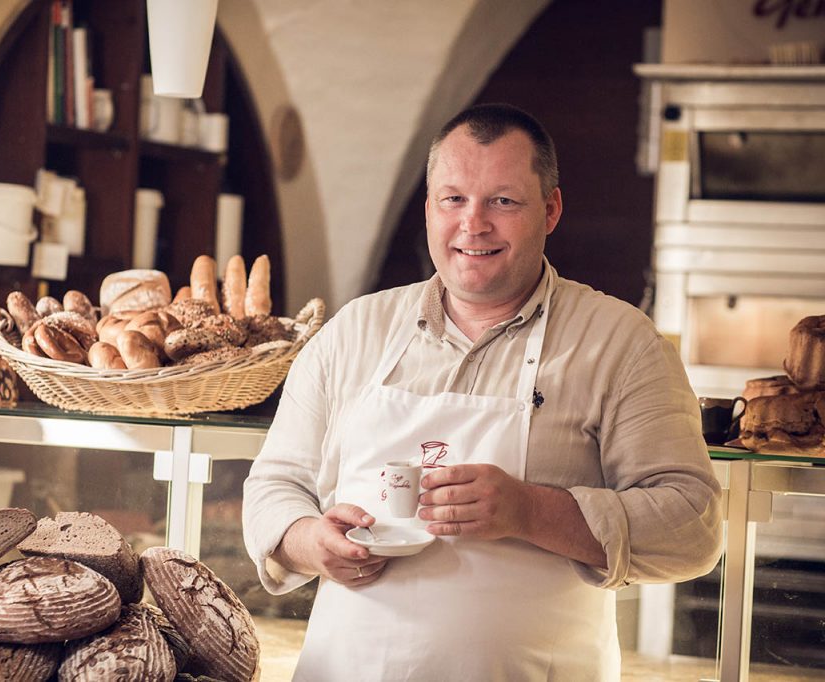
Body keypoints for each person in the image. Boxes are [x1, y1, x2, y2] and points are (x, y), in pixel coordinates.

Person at [242, 103, 723, 681]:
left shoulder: (620, 342)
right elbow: (274, 485)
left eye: (503, 201)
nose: (473, 224)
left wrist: (531, 510)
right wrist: (308, 541)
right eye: (453, 199)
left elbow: (693, 526)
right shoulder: (354, 331)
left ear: (551, 210)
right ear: (428, 208)